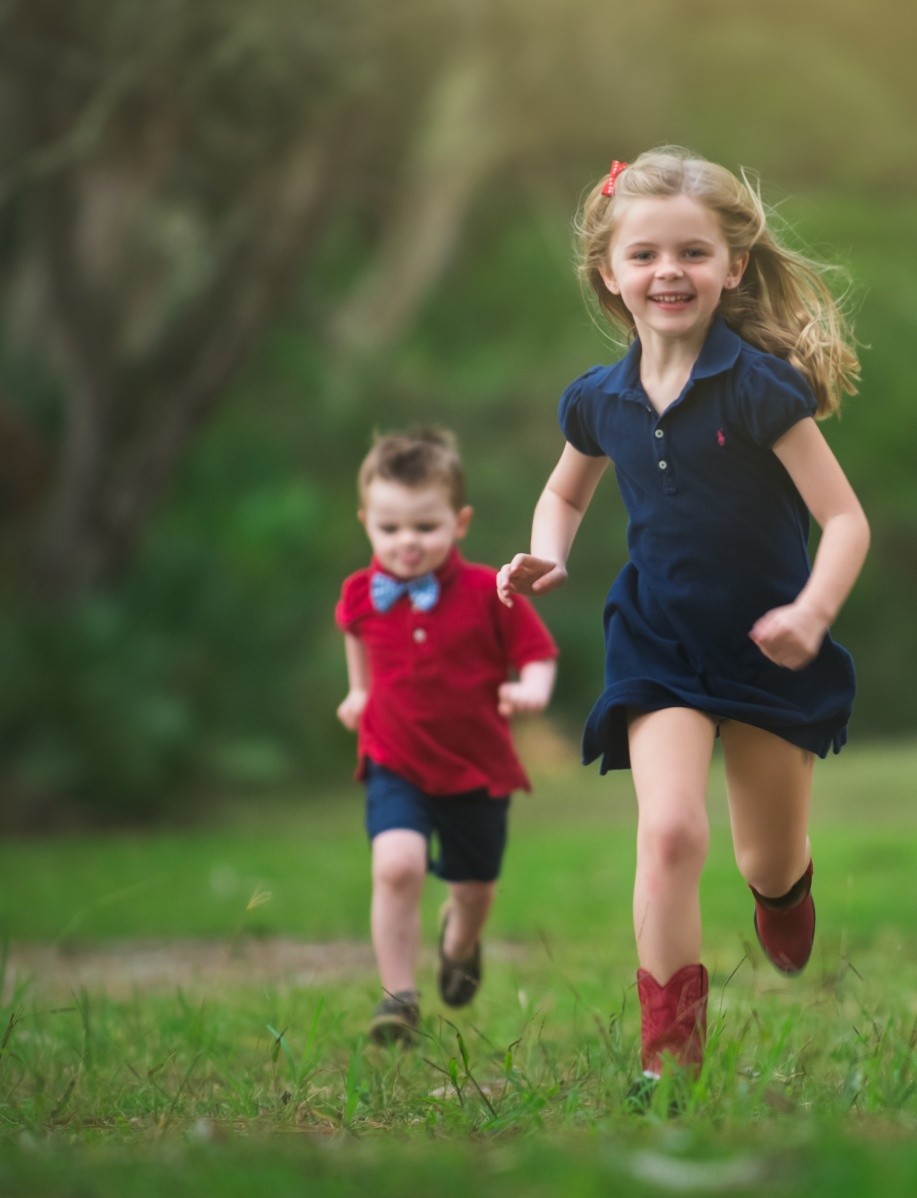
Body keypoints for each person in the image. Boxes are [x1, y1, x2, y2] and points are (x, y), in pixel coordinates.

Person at [497, 148, 867, 1089]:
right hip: (658, 642)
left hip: (769, 648)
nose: (670, 272)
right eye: (647, 255)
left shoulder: (759, 389)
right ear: (610, 274)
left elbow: (845, 519)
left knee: (765, 855)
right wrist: (549, 551)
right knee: (667, 833)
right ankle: (671, 1061)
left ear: (733, 267)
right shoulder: (599, 399)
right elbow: (565, 495)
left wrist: (813, 611)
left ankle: (783, 893)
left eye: (694, 253)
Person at [336, 427, 559, 1045]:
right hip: (395, 758)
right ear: (367, 523)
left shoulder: (491, 591)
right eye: (389, 528)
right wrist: (359, 692)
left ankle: (459, 942)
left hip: (477, 768)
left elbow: (536, 651)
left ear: (459, 522)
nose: (407, 542)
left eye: (425, 527)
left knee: (473, 887)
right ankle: (397, 998)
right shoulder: (360, 593)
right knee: (397, 866)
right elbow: (357, 637)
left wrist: (532, 688)